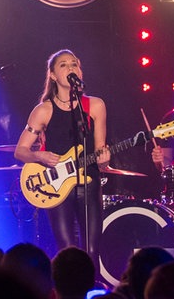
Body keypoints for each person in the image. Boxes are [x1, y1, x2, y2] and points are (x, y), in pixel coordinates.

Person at [14, 49, 110, 273]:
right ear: (53, 75)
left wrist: (104, 159)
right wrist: (39, 155)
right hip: (55, 185)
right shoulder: (43, 110)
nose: (71, 68)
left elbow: (99, 151)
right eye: (64, 65)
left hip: (89, 182)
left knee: (92, 251)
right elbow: (20, 151)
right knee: (66, 250)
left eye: (74, 64)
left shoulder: (95, 105)